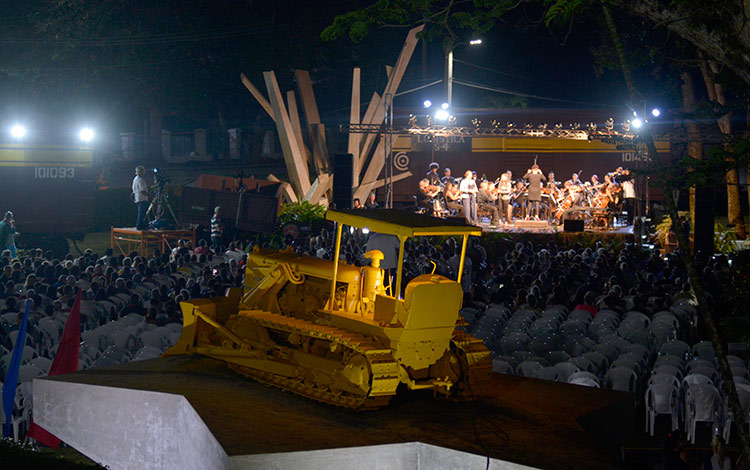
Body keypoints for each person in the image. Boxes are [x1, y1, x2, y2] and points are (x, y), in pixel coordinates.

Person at [132, 166, 150, 230]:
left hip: (138, 198)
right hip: (142, 198)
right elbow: (142, 191)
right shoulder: (141, 180)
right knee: (142, 213)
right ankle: (139, 225)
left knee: (141, 212)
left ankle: (142, 224)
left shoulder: (135, 179)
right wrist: (150, 195)